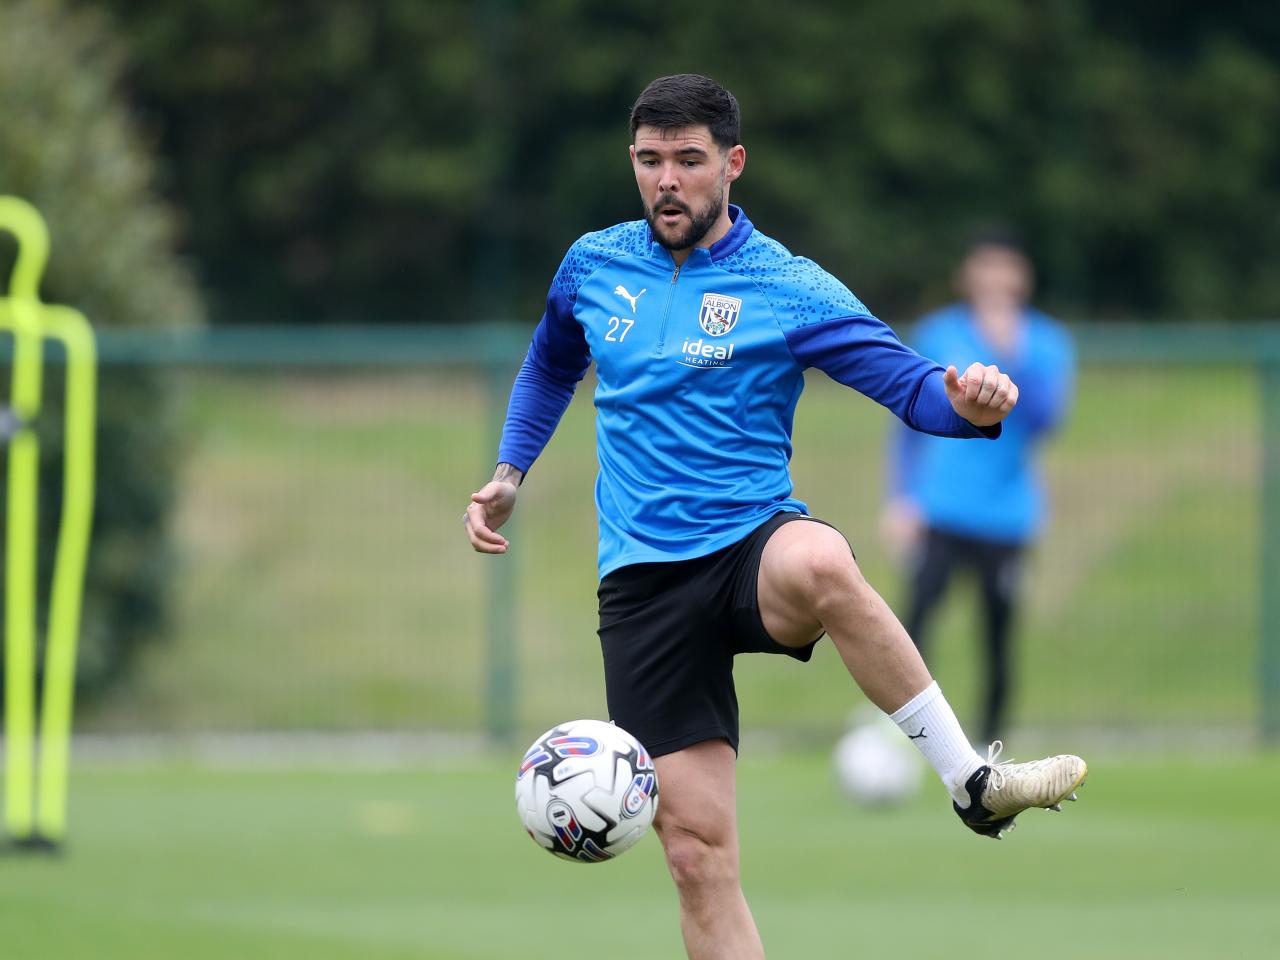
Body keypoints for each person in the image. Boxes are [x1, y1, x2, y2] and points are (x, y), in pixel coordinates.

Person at [464, 74, 1086, 960]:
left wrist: (975, 408)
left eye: (688, 160)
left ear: (733, 164)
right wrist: (509, 472)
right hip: (642, 587)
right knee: (697, 859)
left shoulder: (786, 286)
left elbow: (911, 387)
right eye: (649, 161)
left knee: (824, 563)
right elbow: (549, 364)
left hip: (751, 549)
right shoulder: (593, 265)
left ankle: (971, 781)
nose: (666, 180)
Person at [881, 233, 1075, 745]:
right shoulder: (938, 332)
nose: (995, 282)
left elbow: (1045, 419)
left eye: (1006, 270)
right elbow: (907, 422)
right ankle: (907, 740)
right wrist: (903, 498)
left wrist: (1009, 351)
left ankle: (990, 748)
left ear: (1022, 279)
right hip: (941, 510)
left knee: (997, 637)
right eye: (985, 269)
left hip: (1006, 516)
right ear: (967, 278)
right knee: (912, 630)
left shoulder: (1046, 343)